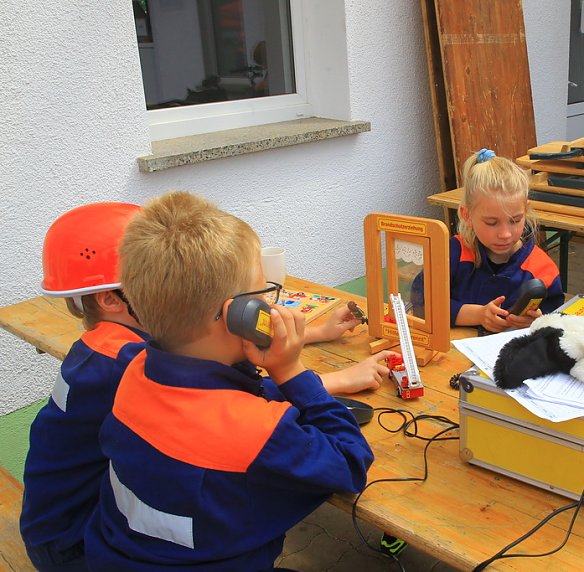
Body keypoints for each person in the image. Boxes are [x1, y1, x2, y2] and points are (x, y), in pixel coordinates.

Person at [84, 191, 374, 570]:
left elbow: (219, 399)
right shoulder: (256, 434)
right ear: (239, 315)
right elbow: (351, 462)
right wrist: (290, 372)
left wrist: (294, 379)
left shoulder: (134, 372)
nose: (272, 305)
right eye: (263, 293)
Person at [20, 203, 148, 571]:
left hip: (55, 528)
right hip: (78, 548)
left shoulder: (99, 345)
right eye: (162, 280)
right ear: (111, 299)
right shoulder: (124, 362)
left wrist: (314, 331)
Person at [447, 148, 565, 333]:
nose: (505, 234)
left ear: (526, 210)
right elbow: (423, 303)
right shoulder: (453, 253)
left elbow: (556, 318)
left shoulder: (542, 269)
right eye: (492, 222)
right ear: (467, 215)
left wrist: (536, 322)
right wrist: (477, 315)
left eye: (515, 220)